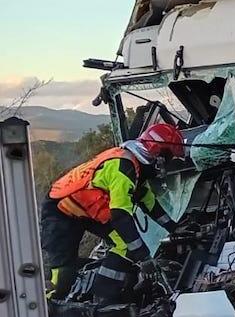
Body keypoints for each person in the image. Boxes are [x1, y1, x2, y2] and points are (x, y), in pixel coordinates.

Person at [40, 123, 184, 305]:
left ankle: (105, 299)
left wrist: (175, 228)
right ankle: (46, 316)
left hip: (87, 211)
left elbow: (150, 203)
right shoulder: (124, 168)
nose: (167, 165)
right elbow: (121, 217)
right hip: (61, 209)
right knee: (62, 276)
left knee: (125, 245)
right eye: (168, 158)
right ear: (156, 151)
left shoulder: (136, 168)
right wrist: (144, 257)